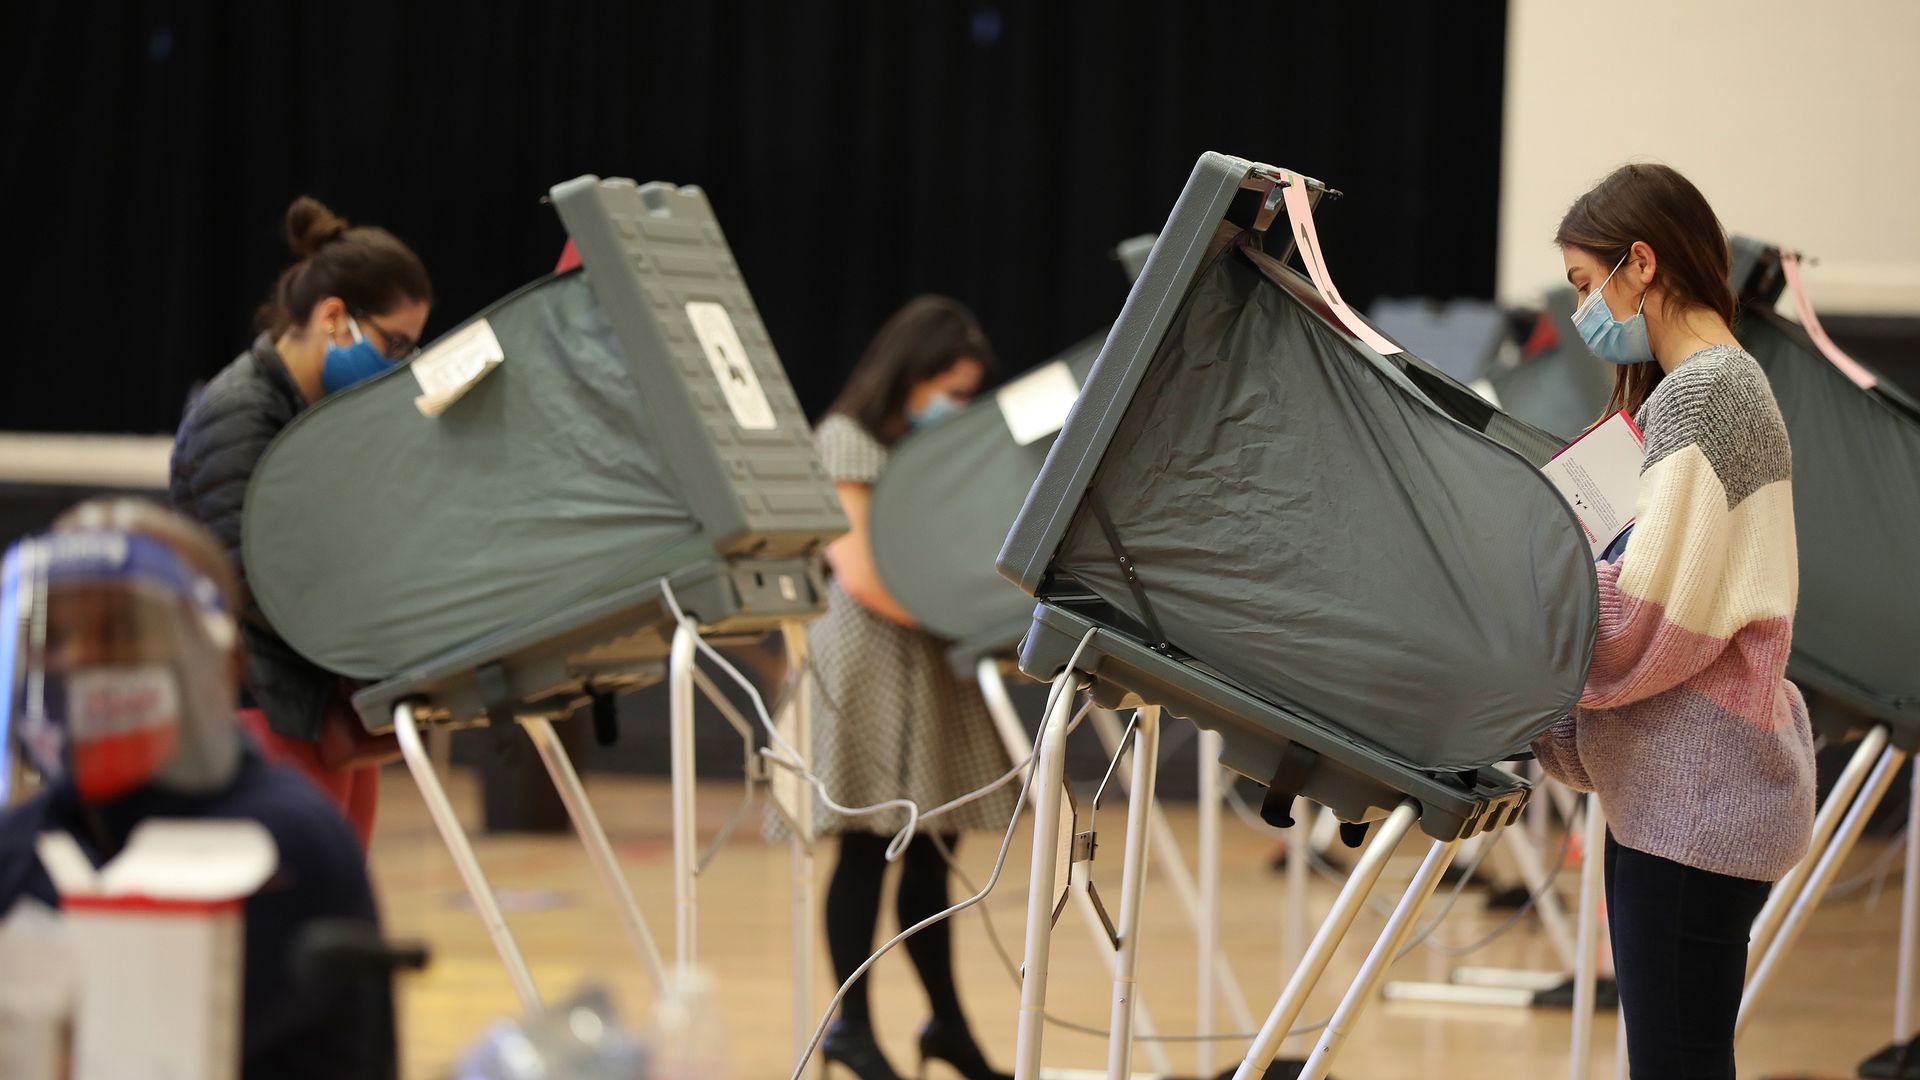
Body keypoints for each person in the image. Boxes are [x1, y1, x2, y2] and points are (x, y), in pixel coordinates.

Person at [1530, 163, 1816, 1080]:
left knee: (1678, 1063)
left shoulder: (1706, 395)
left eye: (1587, 286)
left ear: (1640, 265)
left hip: (1694, 800)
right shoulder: (1692, 391)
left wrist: (1529, 587)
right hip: (1681, 797)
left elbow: (1644, 621)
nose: (1584, 314)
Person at [0, 498, 392, 1079]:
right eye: (52, 636)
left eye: (124, 629)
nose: (77, 660)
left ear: (218, 663)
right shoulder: (18, 844)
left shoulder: (284, 844)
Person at [170, 195, 433, 849]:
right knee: (283, 919)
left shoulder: (322, 414)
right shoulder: (238, 413)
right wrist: (368, 653)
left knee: (331, 904)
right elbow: (252, 575)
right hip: (261, 705)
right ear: (334, 316)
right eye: (393, 343)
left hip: (319, 701)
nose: (401, 364)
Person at [802, 296, 1018, 1080]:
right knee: (865, 848)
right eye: (950, 391)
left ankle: (946, 1026)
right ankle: (851, 1031)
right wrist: (970, 619)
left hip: (931, 656)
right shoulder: (846, 440)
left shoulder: (938, 451)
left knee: (934, 852)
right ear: (910, 375)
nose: (957, 408)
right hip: (871, 659)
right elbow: (858, 573)